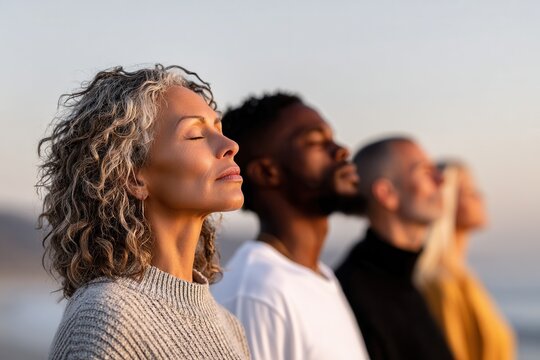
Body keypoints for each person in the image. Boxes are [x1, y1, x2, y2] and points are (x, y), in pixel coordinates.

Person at [38, 64, 250, 359]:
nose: (230, 145)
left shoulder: (230, 326)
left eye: (219, 129)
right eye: (195, 135)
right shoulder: (106, 318)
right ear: (133, 177)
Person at [211, 93, 369, 360]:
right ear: (266, 172)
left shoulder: (321, 277)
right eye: (317, 141)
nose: (342, 150)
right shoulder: (258, 291)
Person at [335, 136, 454, 360]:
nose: (441, 180)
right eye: (426, 172)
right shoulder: (355, 293)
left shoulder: (407, 282)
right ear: (386, 193)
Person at [415, 161, 516, 360]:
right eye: (470, 191)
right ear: (446, 201)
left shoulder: (463, 278)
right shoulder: (440, 285)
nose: (481, 197)